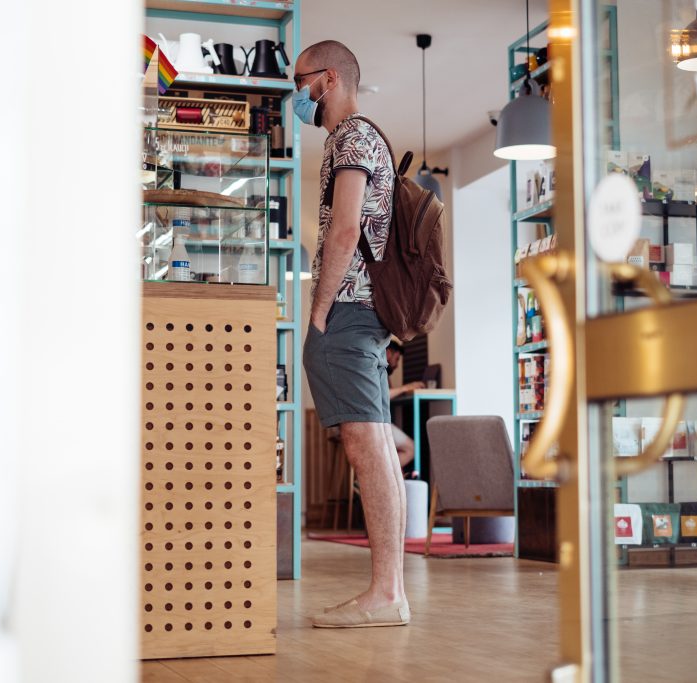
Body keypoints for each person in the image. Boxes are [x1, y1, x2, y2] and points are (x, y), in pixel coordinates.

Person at [296, 40, 410, 629]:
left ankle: (386, 594)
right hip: (365, 313)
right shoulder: (358, 139)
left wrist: (318, 312)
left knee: (367, 449)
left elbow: (344, 231)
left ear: (329, 78)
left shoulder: (352, 137)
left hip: (348, 310)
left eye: (302, 82)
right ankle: (389, 589)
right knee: (377, 450)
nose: (298, 95)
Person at [384, 337, 424, 469]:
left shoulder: (383, 371)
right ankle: (379, 476)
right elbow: (382, 396)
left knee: (395, 452)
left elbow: (386, 393)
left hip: (370, 423)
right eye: (397, 359)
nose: (397, 365)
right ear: (388, 353)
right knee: (412, 449)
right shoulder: (378, 370)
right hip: (375, 424)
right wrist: (406, 388)